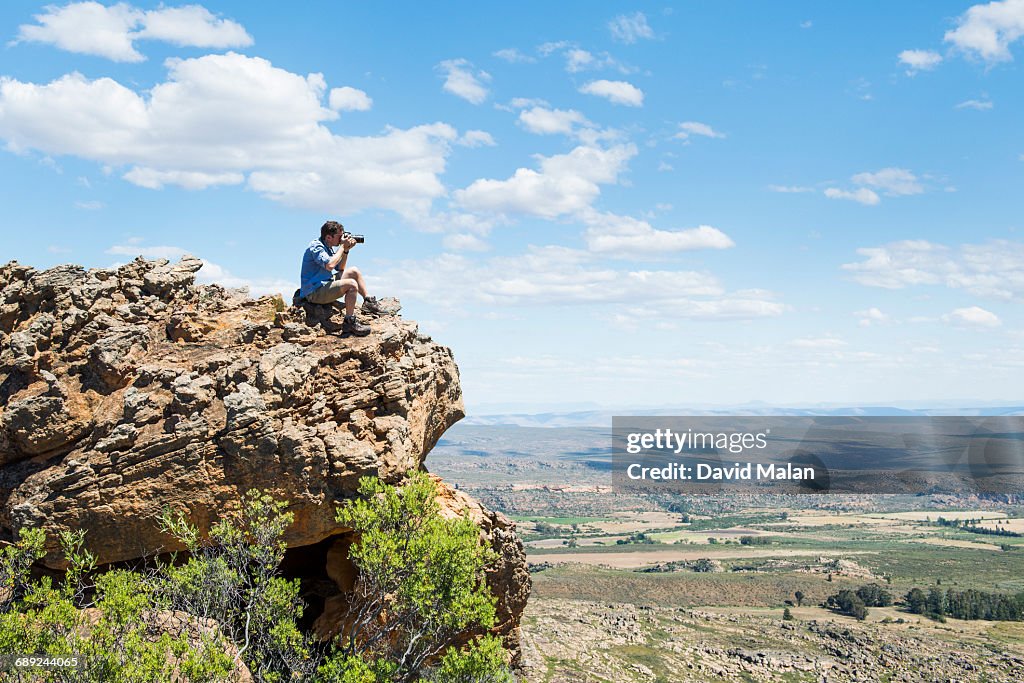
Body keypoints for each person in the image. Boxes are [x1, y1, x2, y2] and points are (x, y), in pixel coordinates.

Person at [298, 220, 384, 337]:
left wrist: (346, 250)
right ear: (328, 237)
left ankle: (369, 303)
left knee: (353, 271)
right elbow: (330, 265)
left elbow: (340, 268)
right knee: (352, 284)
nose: (342, 239)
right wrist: (342, 246)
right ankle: (349, 322)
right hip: (314, 292)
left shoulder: (328, 247)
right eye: (339, 237)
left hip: (324, 284)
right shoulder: (316, 247)